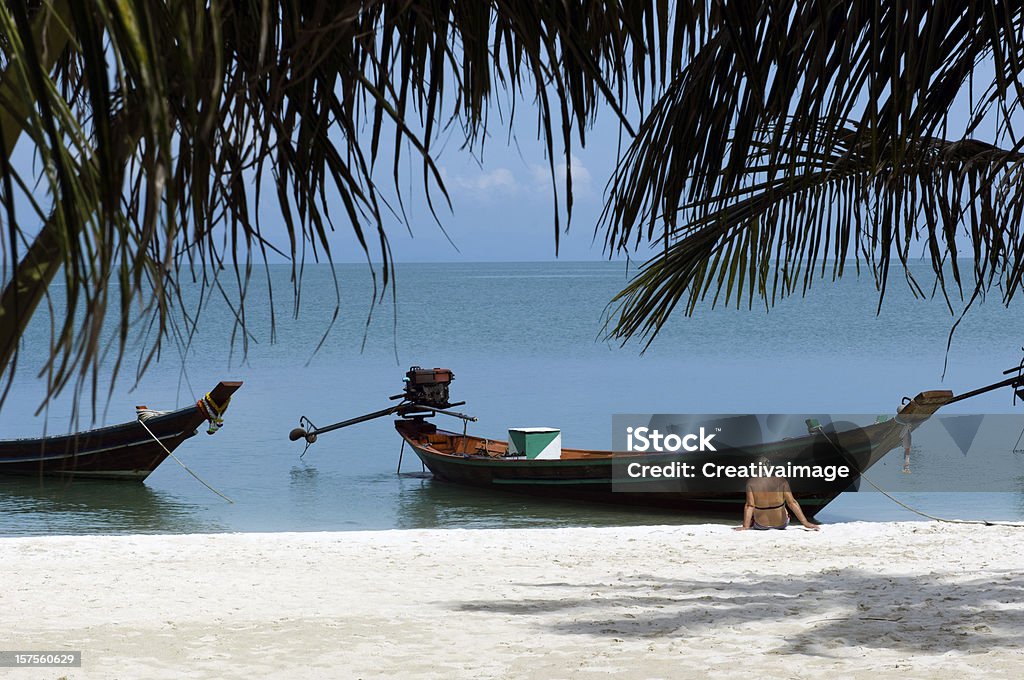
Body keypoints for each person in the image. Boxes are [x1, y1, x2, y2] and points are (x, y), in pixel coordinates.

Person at [734, 459, 820, 531]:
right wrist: (805, 523)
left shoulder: (751, 483)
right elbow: (792, 503)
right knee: (785, 504)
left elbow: (750, 506)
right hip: (782, 524)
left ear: (755, 469)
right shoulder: (781, 480)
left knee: (755, 506)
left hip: (761, 525)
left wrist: (745, 526)